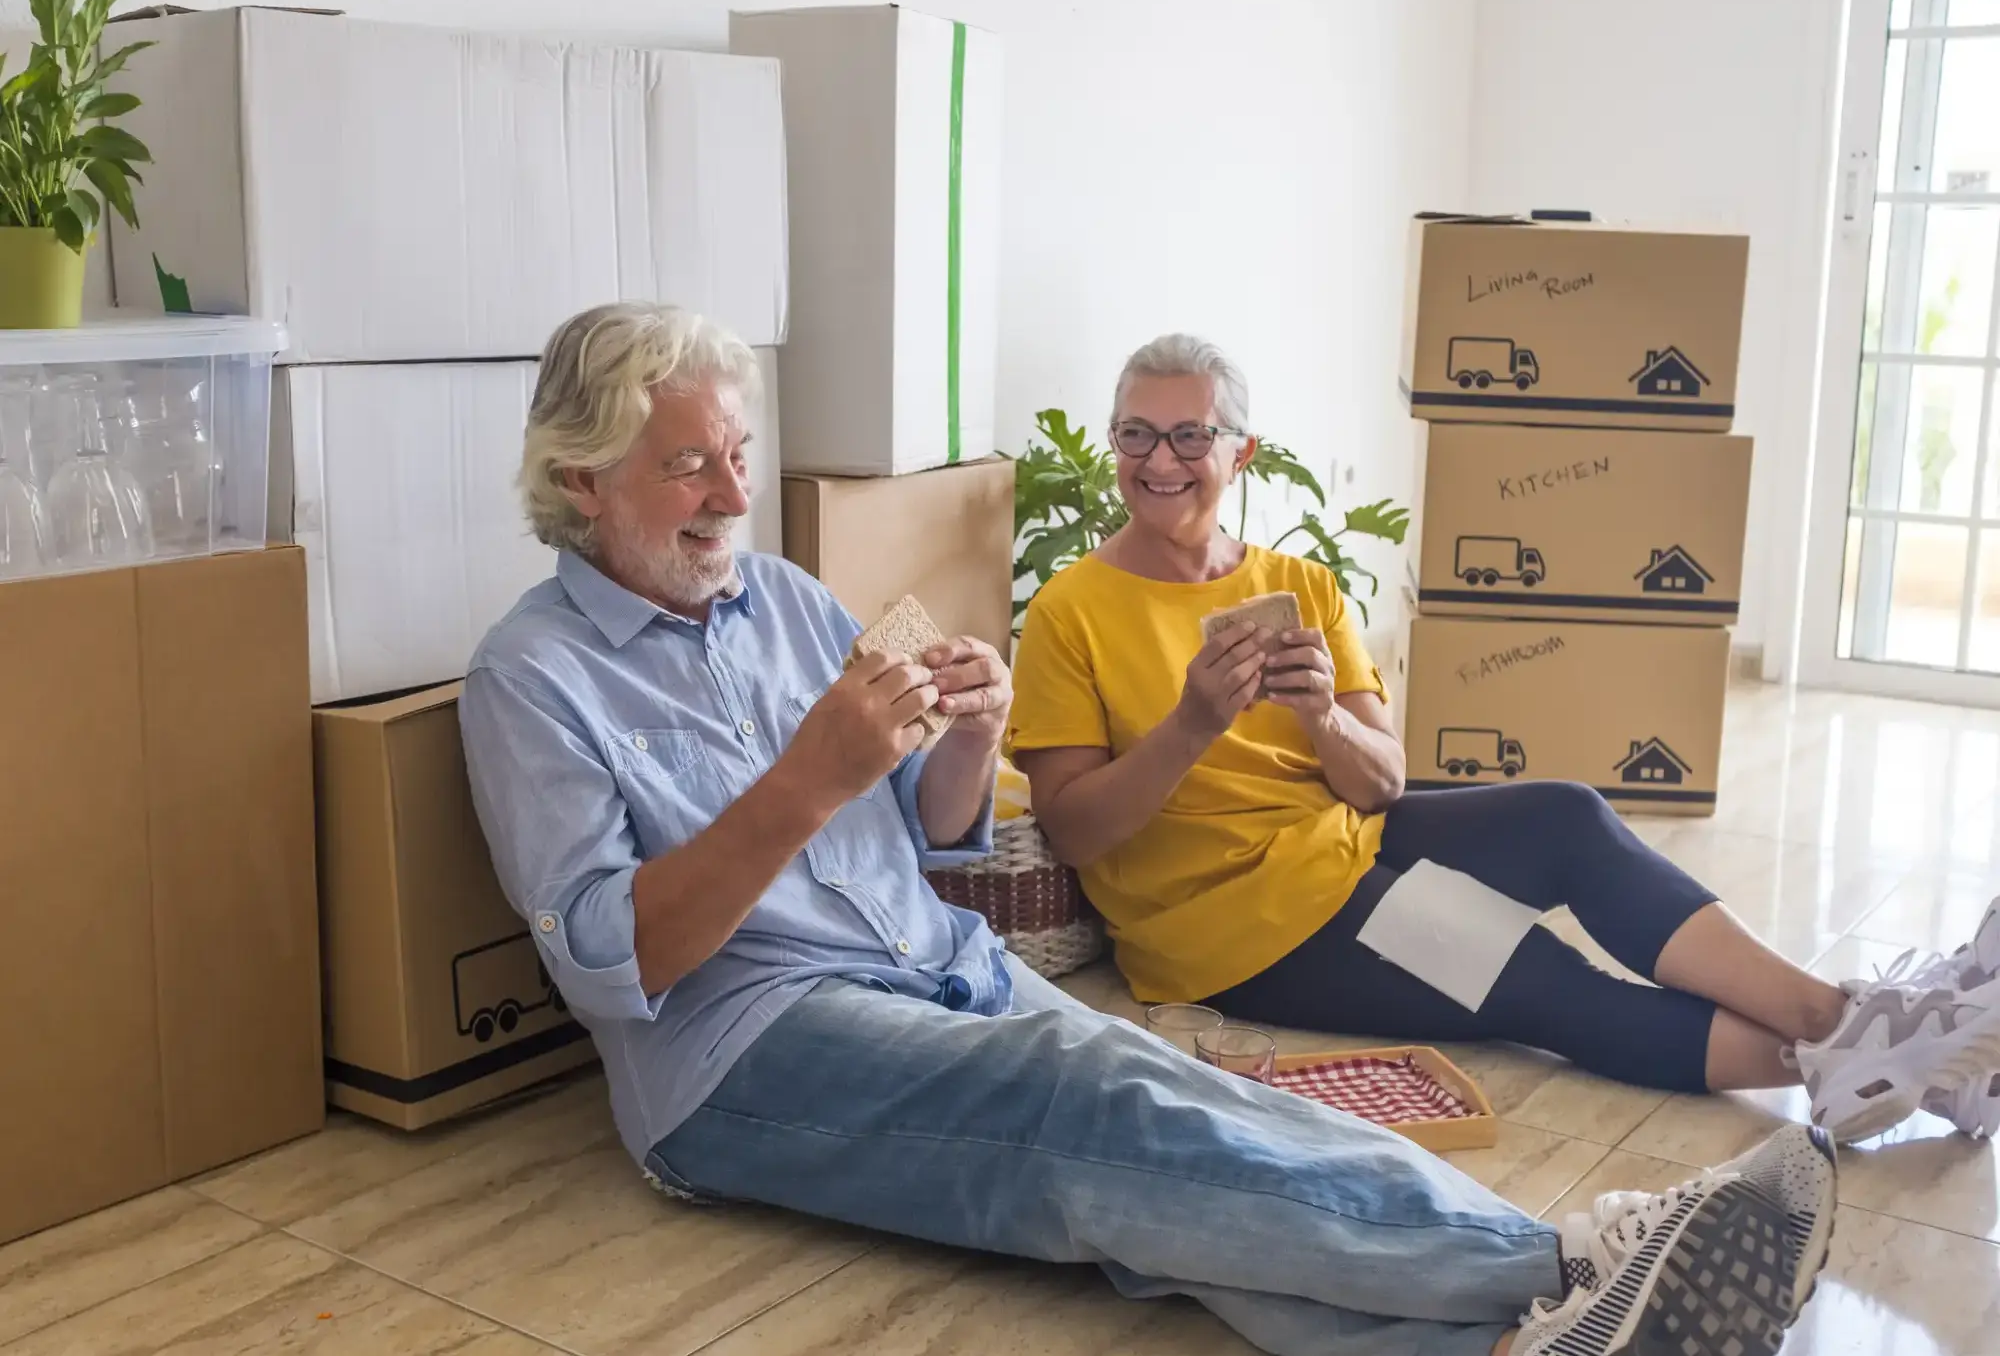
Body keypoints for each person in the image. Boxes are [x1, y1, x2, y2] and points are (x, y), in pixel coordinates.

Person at [460, 302, 1841, 1356]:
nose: (729, 495)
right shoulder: (534, 678)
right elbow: (609, 967)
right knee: (1101, 1116)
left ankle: (1531, 1336)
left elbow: (935, 839)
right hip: (740, 1046)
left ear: (1235, 454)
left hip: (936, 967)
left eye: (737, 457)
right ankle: (1562, 1264)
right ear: (581, 480)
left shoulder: (788, 600)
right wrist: (807, 783)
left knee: (1190, 1132)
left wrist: (971, 736)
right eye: (688, 464)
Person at [1007, 332, 2000, 1148]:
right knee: (1529, 977)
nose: (1159, 461)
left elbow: (1382, 779)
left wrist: (1316, 716)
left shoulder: (1299, 585)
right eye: (1136, 434)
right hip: (1228, 925)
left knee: (1565, 815)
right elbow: (1076, 831)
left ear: (1239, 453)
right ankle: (1875, 1050)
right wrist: (1190, 724)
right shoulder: (1068, 609)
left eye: (1188, 435)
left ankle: (1853, 1032)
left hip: (1342, 845)